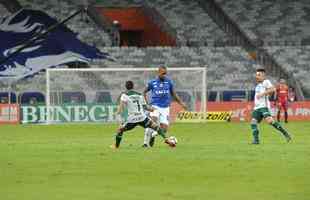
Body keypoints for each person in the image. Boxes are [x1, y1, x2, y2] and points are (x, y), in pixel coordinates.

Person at [112, 80, 176, 149]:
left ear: (126, 87)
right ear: (133, 86)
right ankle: (166, 139)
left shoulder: (124, 95)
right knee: (156, 127)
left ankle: (116, 146)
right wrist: (153, 109)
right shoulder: (139, 95)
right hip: (142, 117)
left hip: (132, 120)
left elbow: (121, 108)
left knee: (120, 130)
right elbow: (145, 107)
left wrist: (117, 114)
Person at [143, 66, 187, 147]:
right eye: (163, 73)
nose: (164, 75)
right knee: (152, 122)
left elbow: (174, 94)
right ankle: (145, 143)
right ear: (158, 73)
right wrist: (146, 104)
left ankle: (153, 135)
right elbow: (144, 92)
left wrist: (181, 103)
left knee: (165, 129)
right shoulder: (152, 83)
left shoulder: (169, 82)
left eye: (165, 73)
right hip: (155, 106)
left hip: (165, 108)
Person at [250, 69, 292, 144]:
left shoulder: (266, 82)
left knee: (270, 121)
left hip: (263, 106)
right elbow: (268, 93)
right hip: (257, 107)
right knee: (253, 122)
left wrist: (263, 94)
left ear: (263, 75)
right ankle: (256, 140)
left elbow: (273, 89)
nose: (257, 76)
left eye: (259, 75)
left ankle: (286, 134)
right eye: (256, 75)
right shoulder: (258, 85)